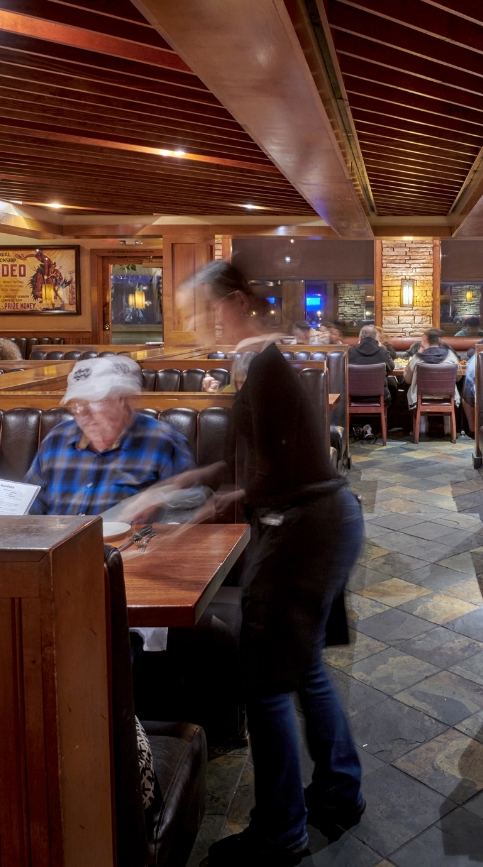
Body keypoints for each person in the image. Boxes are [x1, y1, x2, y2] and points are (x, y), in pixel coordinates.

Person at [206, 346, 364, 866]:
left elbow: (258, 482)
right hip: (328, 524)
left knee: (268, 682)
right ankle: (340, 791)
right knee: (306, 665)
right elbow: (251, 479)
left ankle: (281, 831)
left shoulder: (266, 394)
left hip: (303, 533)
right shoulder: (277, 407)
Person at [24, 356, 194, 516]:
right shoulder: (57, 439)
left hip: (128, 545)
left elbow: (186, 514)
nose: (82, 413)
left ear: (121, 399)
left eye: (92, 402)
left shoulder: (164, 442)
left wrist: (157, 505)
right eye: (76, 404)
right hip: (57, 544)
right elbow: (32, 503)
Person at [187, 260, 269, 350]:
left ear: (241, 301)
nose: (217, 321)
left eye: (215, 308)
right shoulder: (243, 350)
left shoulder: (259, 353)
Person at [403, 327, 460, 410]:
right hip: (447, 395)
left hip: (421, 396)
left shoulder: (417, 357)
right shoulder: (450, 356)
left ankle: (421, 423)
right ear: (439, 340)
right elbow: (458, 378)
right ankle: (448, 423)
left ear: (426, 340)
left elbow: (407, 380)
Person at [348, 324, 395, 404]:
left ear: (360, 337)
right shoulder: (382, 351)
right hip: (379, 397)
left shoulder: (350, 352)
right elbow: (391, 367)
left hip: (353, 396)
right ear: (376, 338)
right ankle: (382, 415)